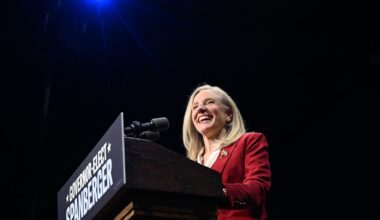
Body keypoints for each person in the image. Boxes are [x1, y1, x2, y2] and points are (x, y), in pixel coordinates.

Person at [182, 84, 271, 220]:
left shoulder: (249, 141)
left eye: (210, 102)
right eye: (195, 107)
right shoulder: (190, 164)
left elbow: (258, 190)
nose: (200, 109)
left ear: (228, 115)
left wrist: (218, 192)